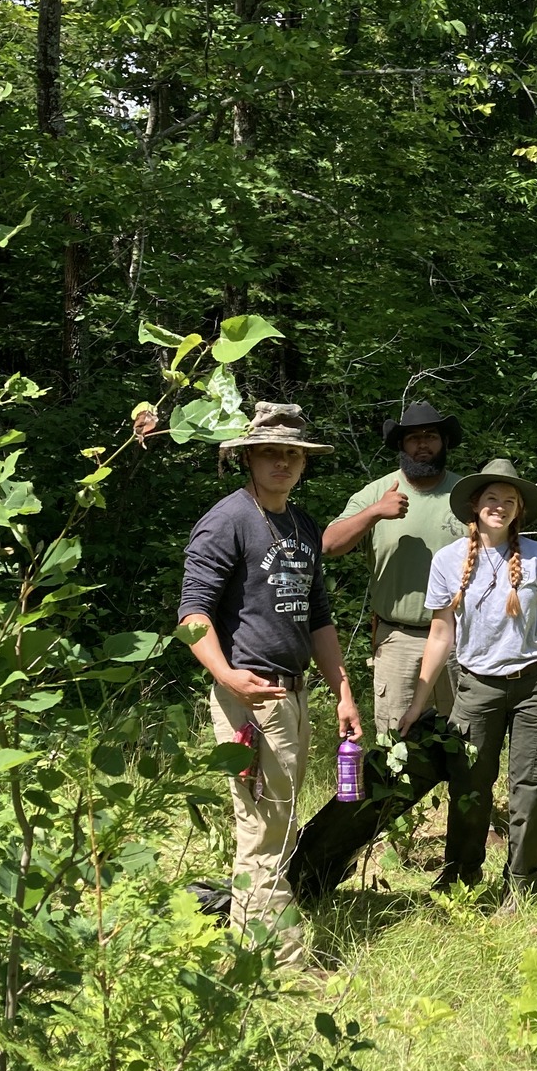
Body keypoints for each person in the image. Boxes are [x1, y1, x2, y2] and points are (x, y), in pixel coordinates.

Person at [178, 402, 363, 967]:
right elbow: (192, 616)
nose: (283, 461)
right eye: (271, 452)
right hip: (249, 701)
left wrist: (343, 691)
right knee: (262, 830)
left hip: (295, 693)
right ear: (247, 458)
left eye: (293, 453)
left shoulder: (302, 524)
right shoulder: (227, 520)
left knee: (275, 823)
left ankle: (248, 948)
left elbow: (318, 616)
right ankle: (279, 965)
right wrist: (229, 677)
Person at [399, 458, 537, 906]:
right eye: (492, 499)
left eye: (509, 501)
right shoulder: (448, 560)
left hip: (536, 685)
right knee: (469, 785)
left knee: (530, 786)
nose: (499, 507)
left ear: (519, 510)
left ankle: (523, 884)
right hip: (476, 686)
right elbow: (441, 633)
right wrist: (419, 700)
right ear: (475, 506)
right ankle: (461, 877)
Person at [321, 400, 463, 736]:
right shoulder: (377, 494)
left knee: (463, 739)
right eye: (414, 438)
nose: (423, 444)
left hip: (459, 639)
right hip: (398, 639)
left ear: (444, 442)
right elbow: (328, 545)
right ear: (401, 445)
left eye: (431, 436)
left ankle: (463, 791)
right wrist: (374, 513)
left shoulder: (466, 495)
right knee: (396, 745)